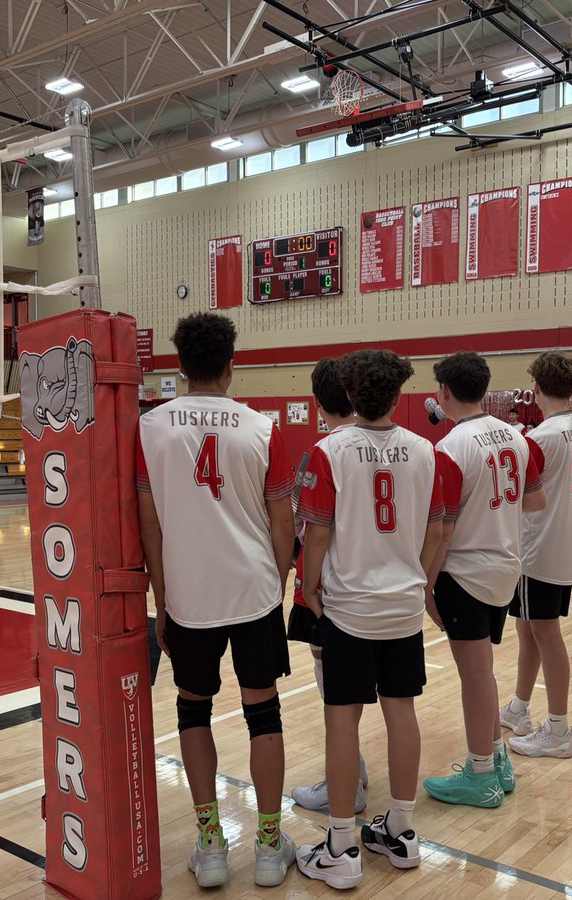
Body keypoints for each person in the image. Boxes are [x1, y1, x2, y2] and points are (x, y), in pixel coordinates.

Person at [135, 312, 297, 889]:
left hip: (188, 595)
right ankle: (269, 846)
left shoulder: (149, 428)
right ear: (231, 366)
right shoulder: (261, 429)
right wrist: (277, 583)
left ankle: (210, 845)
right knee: (264, 713)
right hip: (253, 590)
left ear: (180, 367)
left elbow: (149, 526)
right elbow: (283, 521)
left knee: (192, 710)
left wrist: (161, 598)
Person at [295, 349, 444, 890]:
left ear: (349, 395)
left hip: (349, 607)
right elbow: (436, 529)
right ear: (398, 395)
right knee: (401, 711)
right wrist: (419, 579)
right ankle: (400, 831)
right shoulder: (425, 450)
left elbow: (316, 532)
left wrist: (308, 585)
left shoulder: (328, 451)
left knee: (343, 719)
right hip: (402, 606)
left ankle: (340, 846)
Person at [422, 352, 546, 809]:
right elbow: (536, 501)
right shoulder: (515, 436)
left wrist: (426, 586)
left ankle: (479, 776)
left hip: (465, 572)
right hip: (505, 567)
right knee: (483, 672)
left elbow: (444, 529)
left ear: (444, 392)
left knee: (474, 675)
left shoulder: (451, 447)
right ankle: (497, 761)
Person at [500, 352, 572, 759]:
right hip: (562, 545)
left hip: (537, 549)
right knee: (529, 628)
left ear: (535, 388)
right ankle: (519, 708)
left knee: (546, 633)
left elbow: (520, 496)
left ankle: (558, 729)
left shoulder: (541, 438)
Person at [289, 357, 365, 813]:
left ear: (317, 402)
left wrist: (308, 585)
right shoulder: (399, 445)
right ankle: (354, 771)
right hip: (383, 588)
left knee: (333, 687)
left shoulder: (321, 453)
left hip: (331, 586)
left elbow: (303, 526)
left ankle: (346, 783)